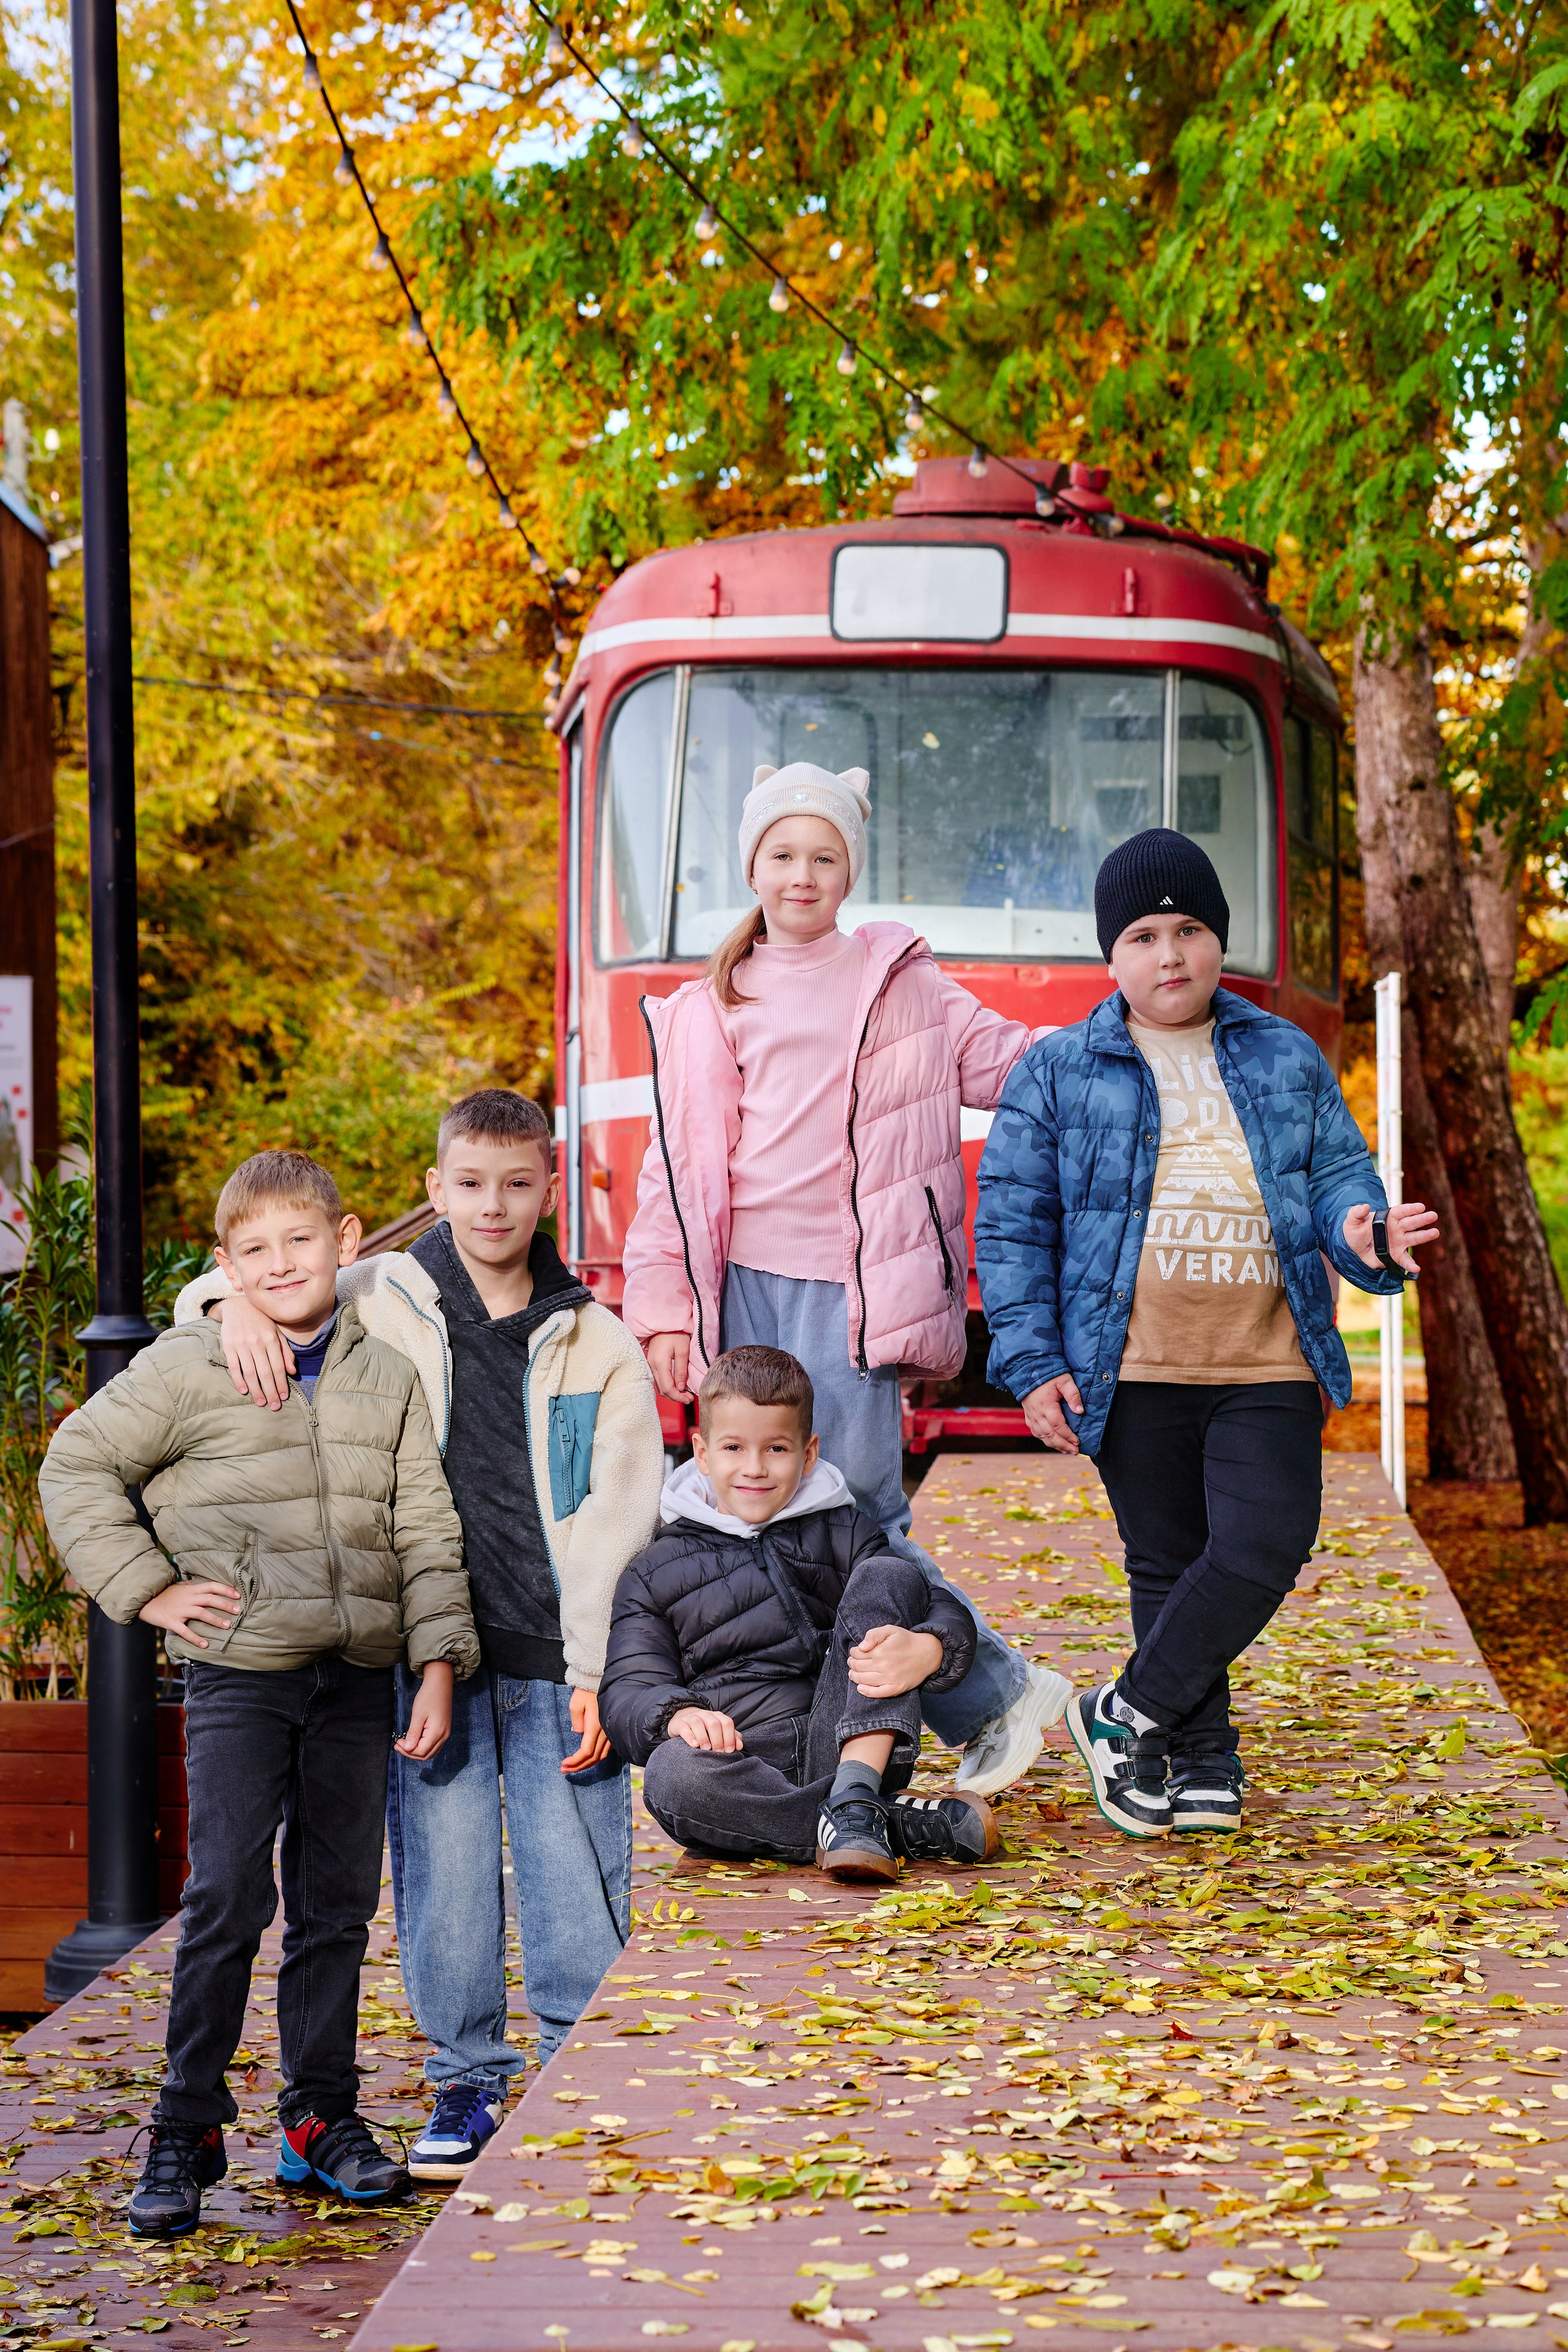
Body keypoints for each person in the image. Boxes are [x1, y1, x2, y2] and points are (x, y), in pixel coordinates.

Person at [176, 1090, 663, 2181]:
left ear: (550, 1189)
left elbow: (621, 1515)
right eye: (471, 1183)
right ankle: (467, 2078)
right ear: (435, 1190)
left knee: (574, 1864)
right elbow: (251, 1281)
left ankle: (580, 2068)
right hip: (423, 1650)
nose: (494, 1206)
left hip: (553, 1654)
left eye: (518, 1184)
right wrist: (230, 1310)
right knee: (444, 1871)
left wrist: (598, 1664)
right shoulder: (383, 1292)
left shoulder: (597, 1340)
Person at [39, 1151, 477, 2237]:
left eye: (300, 1240)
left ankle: (319, 2116)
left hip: (357, 1677)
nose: (282, 1264)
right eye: (255, 1250)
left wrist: (435, 1660)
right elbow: (76, 1465)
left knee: (336, 1908)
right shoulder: (193, 1365)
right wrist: (147, 1589)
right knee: (228, 1896)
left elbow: (424, 1527)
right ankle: (185, 2126)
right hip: (239, 1673)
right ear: (227, 1266)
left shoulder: (388, 1374)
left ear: (345, 1239)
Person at [975, 828, 1437, 1839]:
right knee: (1168, 1559)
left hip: (1267, 1354)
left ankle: (1121, 1711)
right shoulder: (1057, 1070)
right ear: (1112, 955)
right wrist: (1035, 1363)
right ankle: (1198, 1758)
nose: (1170, 954)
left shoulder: (1284, 1053)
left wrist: (1365, 1235)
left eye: (1188, 929)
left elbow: (1339, 1179)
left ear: (1219, 939)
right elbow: (1011, 1228)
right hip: (1128, 1360)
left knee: (1267, 1542)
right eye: (1143, 936)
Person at [623, 760, 1071, 1798]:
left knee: (861, 1511)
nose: (802, 874)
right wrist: (667, 1310)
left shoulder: (900, 982)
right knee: (757, 1505)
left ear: (849, 871)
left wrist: (1131, 1036)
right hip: (740, 1286)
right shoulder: (709, 1004)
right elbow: (672, 1173)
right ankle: (823, 1730)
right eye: (782, 854)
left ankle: (993, 1696)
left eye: (824, 857)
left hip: (853, 1288)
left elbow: (1016, 1065)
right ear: (753, 867)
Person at [600, 1344, 1000, 1881]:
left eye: (777, 1448)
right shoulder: (654, 1568)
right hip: (743, 1759)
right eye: (734, 1447)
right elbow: (628, 1685)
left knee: (891, 1572)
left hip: (854, 1739)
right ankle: (874, 1821)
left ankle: (856, 1793)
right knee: (672, 1776)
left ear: (808, 1453)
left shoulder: (843, 1530)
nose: (755, 1468)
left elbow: (934, 1603)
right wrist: (676, 1714)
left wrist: (931, 1647)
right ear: (702, 1452)